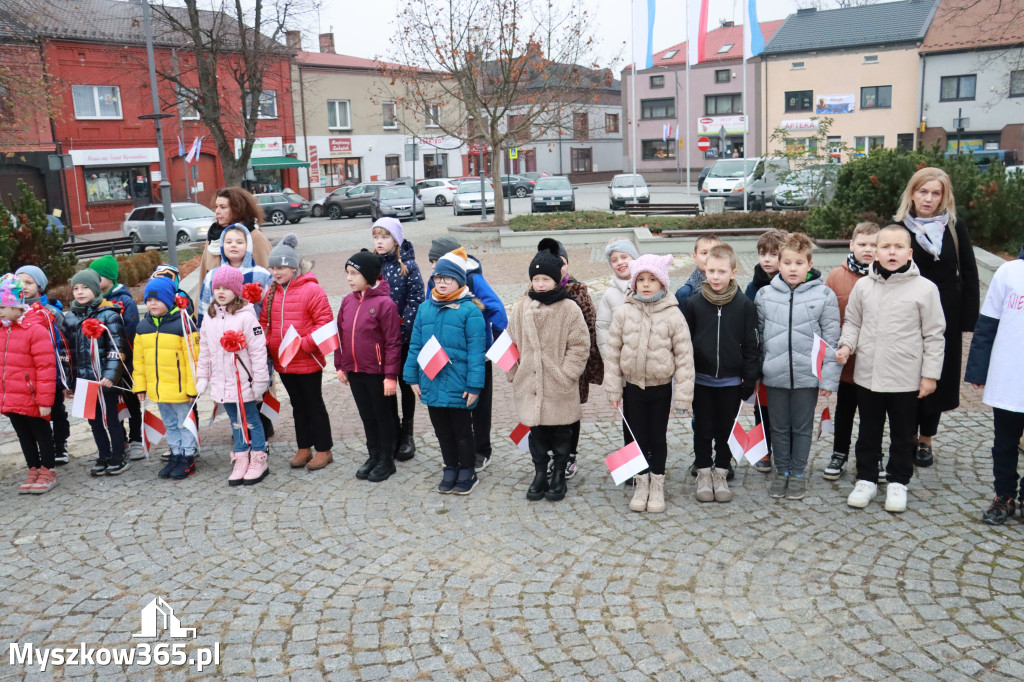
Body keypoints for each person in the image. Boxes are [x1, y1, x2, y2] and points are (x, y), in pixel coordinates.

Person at [838, 224, 945, 513]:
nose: (892, 252)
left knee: (902, 431)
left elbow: (934, 334)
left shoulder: (925, 289)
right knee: (869, 431)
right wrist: (847, 346)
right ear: (876, 252)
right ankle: (867, 478)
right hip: (868, 376)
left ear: (909, 253)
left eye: (898, 247)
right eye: (885, 247)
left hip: (905, 377)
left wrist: (930, 375)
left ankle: (898, 481)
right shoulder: (863, 286)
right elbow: (853, 323)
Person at [894, 167, 979, 467]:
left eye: (935, 193)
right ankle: (905, 436)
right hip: (906, 312)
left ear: (945, 196)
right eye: (923, 191)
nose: (928, 199)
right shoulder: (898, 228)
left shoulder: (955, 228)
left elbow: (969, 273)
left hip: (946, 313)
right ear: (912, 193)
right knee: (907, 374)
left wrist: (969, 319)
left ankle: (926, 440)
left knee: (937, 377)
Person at [604, 254, 694, 513]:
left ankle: (657, 483)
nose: (645, 284)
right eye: (640, 279)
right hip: (632, 387)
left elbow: (684, 357)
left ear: (662, 283)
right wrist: (613, 387)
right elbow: (613, 353)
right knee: (636, 437)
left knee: (657, 437)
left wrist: (683, 396)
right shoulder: (623, 312)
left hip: (660, 387)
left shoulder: (674, 315)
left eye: (651, 279)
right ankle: (640, 482)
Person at [756, 232, 840, 500]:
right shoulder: (765, 295)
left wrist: (828, 379)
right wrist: (758, 372)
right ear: (779, 265)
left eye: (799, 263)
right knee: (779, 427)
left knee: (802, 427)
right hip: (775, 374)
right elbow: (758, 337)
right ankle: (782, 472)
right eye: (788, 263)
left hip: (808, 376)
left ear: (809, 264)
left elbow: (831, 339)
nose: (793, 268)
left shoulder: (825, 295)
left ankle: (798, 473)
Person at [506, 241, 590, 502]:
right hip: (529, 383)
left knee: (562, 434)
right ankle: (540, 473)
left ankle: (559, 476)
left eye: (545, 279)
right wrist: (514, 372)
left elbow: (579, 345)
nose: (540, 284)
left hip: (558, 385)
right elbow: (509, 342)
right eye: (536, 279)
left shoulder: (569, 308)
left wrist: (567, 374)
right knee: (537, 435)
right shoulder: (521, 307)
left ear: (556, 280)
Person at [404, 248, 488, 494]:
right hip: (431, 380)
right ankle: (450, 467)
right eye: (438, 278)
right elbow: (415, 345)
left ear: (459, 281)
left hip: (459, 384)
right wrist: (411, 377)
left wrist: (474, 385)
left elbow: (476, 353)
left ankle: (467, 470)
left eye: (448, 278)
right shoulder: (425, 309)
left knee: (462, 431)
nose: (442, 283)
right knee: (442, 431)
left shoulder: (470, 310)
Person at [685, 244, 759, 504]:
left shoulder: (745, 306)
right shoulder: (693, 304)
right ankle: (704, 472)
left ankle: (721, 472)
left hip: (730, 381)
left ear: (733, 272)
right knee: (703, 428)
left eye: (721, 271)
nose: (715, 276)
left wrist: (749, 379)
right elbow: (684, 346)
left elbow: (751, 346)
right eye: (711, 271)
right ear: (704, 271)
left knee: (726, 430)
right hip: (701, 380)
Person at [427, 237, 507, 470]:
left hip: (477, 354)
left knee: (480, 405)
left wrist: (494, 339)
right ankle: (458, 450)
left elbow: (497, 308)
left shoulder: (473, 277)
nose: (433, 267)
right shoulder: (434, 281)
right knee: (454, 404)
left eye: (436, 260)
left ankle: (482, 449)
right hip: (447, 355)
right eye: (431, 262)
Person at [260, 234, 335, 471]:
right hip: (283, 360)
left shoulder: (312, 290)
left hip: (306, 359)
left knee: (314, 405)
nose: (276, 272)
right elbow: (264, 323)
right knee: (297, 405)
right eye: (272, 267)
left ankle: (324, 449)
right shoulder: (271, 292)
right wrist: (268, 343)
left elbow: (324, 324)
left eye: (281, 267)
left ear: (293, 267)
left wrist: (302, 344)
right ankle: (304, 447)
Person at [964, 243, 1024, 525]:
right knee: (1005, 443)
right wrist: (978, 369)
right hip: (1009, 376)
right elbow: (988, 323)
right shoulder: (1009, 272)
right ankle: (1005, 496)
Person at [196, 266, 271, 486]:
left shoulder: (246, 318)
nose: (220, 292)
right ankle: (240, 456)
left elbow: (258, 352)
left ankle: (258, 457)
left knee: (252, 421)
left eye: (226, 288)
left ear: (236, 291)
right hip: (222, 382)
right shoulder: (209, 318)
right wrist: (203, 377)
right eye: (217, 287)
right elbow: (206, 350)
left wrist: (260, 381)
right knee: (235, 422)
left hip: (244, 381)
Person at [335, 251, 402, 482]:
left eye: (354, 274)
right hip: (355, 370)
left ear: (369, 275)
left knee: (382, 416)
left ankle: (386, 458)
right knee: (366, 416)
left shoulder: (385, 304)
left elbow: (393, 343)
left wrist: (390, 376)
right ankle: (373, 455)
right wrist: (340, 365)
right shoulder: (347, 301)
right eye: (347, 274)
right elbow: (340, 335)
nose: (349, 278)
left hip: (377, 372)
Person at [542, 238, 603, 480]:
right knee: (546, 413)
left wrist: (588, 367)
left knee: (570, 412)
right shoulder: (536, 290)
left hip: (571, 366)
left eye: (562, 262)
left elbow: (590, 329)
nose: (558, 266)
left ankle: (570, 456)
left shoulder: (578, 291)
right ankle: (549, 456)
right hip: (545, 366)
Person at [822, 221, 878, 481]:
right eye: (863, 244)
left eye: (874, 244)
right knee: (844, 411)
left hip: (874, 362)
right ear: (852, 245)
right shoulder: (836, 276)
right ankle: (839, 453)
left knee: (872, 414)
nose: (868, 249)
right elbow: (828, 316)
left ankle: (872, 456)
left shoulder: (883, 277)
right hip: (845, 361)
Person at [63, 269, 131, 476]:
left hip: (104, 381)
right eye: (76, 288)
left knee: (111, 419)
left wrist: (111, 376)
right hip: (85, 381)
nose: (80, 292)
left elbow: (117, 348)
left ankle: (118, 455)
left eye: (85, 287)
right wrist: (69, 381)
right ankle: (103, 454)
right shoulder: (70, 319)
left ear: (95, 289)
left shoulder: (109, 315)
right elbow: (68, 352)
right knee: (93, 421)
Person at [132, 277, 200, 480]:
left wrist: (192, 388)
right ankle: (176, 454)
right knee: (170, 424)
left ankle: (188, 457)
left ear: (169, 300)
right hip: (159, 389)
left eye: (157, 299)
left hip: (180, 389)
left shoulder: (183, 324)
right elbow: (140, 361)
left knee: (183, 423)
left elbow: (193, 361)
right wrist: (140, 387)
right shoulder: (143, 327)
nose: (152, 304)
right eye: (148, 300)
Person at [0, 274, 58, 494]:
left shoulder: (34, 330)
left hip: (32, 395)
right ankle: (32, 468)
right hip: (11, 395)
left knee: (41, 433)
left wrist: (45, 400)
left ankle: (48, 469)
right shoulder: (1, 330)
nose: (1, 311)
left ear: (18, 303)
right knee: (22, 434)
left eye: (4, 305)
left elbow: (46, 367)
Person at [373, 218, 425, 462]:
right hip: (378, 341)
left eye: (384, 237)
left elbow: (416, 300)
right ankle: (391, 430)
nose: (379, 242)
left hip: (402, 338)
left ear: (396, 240)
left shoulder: (410, 267)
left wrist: (400, 330)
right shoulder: (372, 265)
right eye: (376, 237)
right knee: (387, 385)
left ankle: (407, 431)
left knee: (405, 383)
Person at [88, 255, 143, 461]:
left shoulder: (124, 300)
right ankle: (123, 438)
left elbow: (129, 333)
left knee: (130, 401)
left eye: (98, 276)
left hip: (125, 362)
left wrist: (126, 361)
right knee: (113, 403)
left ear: (109, 278)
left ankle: (137, 437)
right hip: (106, 363)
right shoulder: (94, 302)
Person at [16, 265, 71, 467]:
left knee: (56, 411)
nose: (24, 287)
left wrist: (64, 375)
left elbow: (63, 344)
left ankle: (60, 444)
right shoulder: (12, 312)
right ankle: (42, 447)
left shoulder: (51, 312)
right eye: (19, 282)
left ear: (40, 286)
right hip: (27, 377)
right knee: (35, 416)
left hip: (51, 372)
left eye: (29, 282)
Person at [744, 229, 787, 474]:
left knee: (783, 409)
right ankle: (764, 450)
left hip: (783, 356)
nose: (767, 259)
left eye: (773, 254)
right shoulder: (753, 287)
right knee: (762, 408)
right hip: (761, 357)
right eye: (763, 254)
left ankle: (783, 450)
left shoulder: (791, 282)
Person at [199, 187, 272, 290]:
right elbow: (203, 277)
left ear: (237, 209)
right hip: (214, 304)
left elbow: (268, 278)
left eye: (223, 207)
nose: (217, 211)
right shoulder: (213, 236)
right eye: (216, 207)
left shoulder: (254, 237)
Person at [595, 239, 639, 353]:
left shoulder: (650, 286)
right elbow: (603, 330)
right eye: (614, 260)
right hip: (624, 362)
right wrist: (610, 363)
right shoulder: (609, 296)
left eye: (624, 257)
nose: (620, 262)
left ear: (634, 258)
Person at [675, 232, 722, 312]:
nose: (709, 257)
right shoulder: (685, 294)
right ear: (695, 256)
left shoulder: (732, 288)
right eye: (704, 253)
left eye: (714, 253)